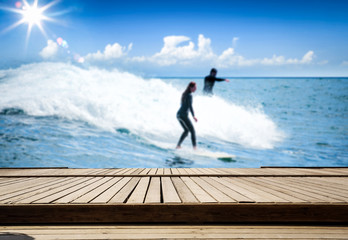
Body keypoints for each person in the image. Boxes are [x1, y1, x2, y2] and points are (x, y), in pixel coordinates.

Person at [176, 81, 198, 150]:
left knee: (186, 130)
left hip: (178, 114)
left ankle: (178, 145)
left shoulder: (184, 94)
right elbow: (190, 106)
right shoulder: (189, 95)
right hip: (183, 115)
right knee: (192, 130)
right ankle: (195, 148)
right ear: (191, 88)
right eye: (194, 87)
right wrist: (193, 116)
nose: (195, 89)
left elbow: (183, 105)